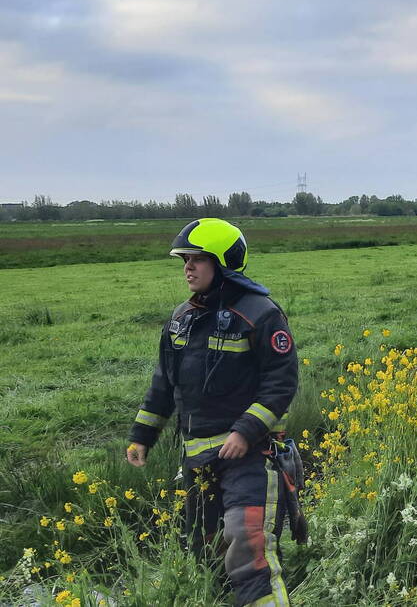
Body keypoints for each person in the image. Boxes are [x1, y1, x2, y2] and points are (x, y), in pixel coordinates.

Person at [127, 218, 298, 606]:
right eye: (184, 260)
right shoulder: (180, 318)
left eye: (197, 259)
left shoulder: (261, 314)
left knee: (247, 542)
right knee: (203, 549)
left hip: (251, 455)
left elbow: (281, 383)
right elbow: (163, 384)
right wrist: (142, 436)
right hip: (197, 459)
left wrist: (245, 431)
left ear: (223, 263)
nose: (187, 267)